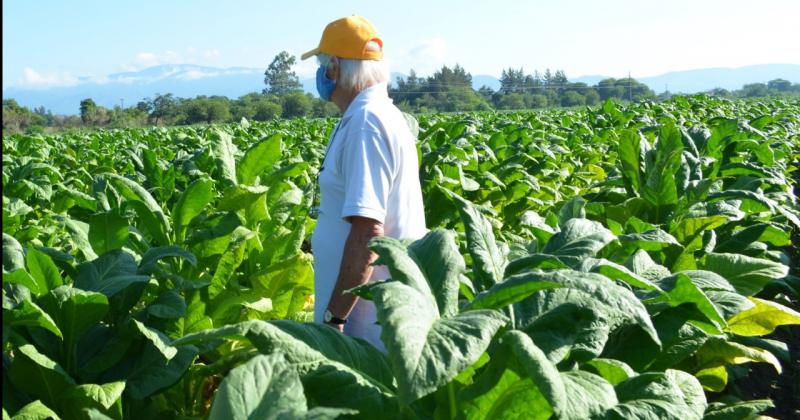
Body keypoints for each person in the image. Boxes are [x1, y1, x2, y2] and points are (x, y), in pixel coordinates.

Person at [302, 16, 426, 350]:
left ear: (335, 67)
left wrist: (334, 318)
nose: (320, 74)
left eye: (322, 64)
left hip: (366, 325)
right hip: (371, 314)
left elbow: (368, 230)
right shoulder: (373, 114)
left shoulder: (366, 123)